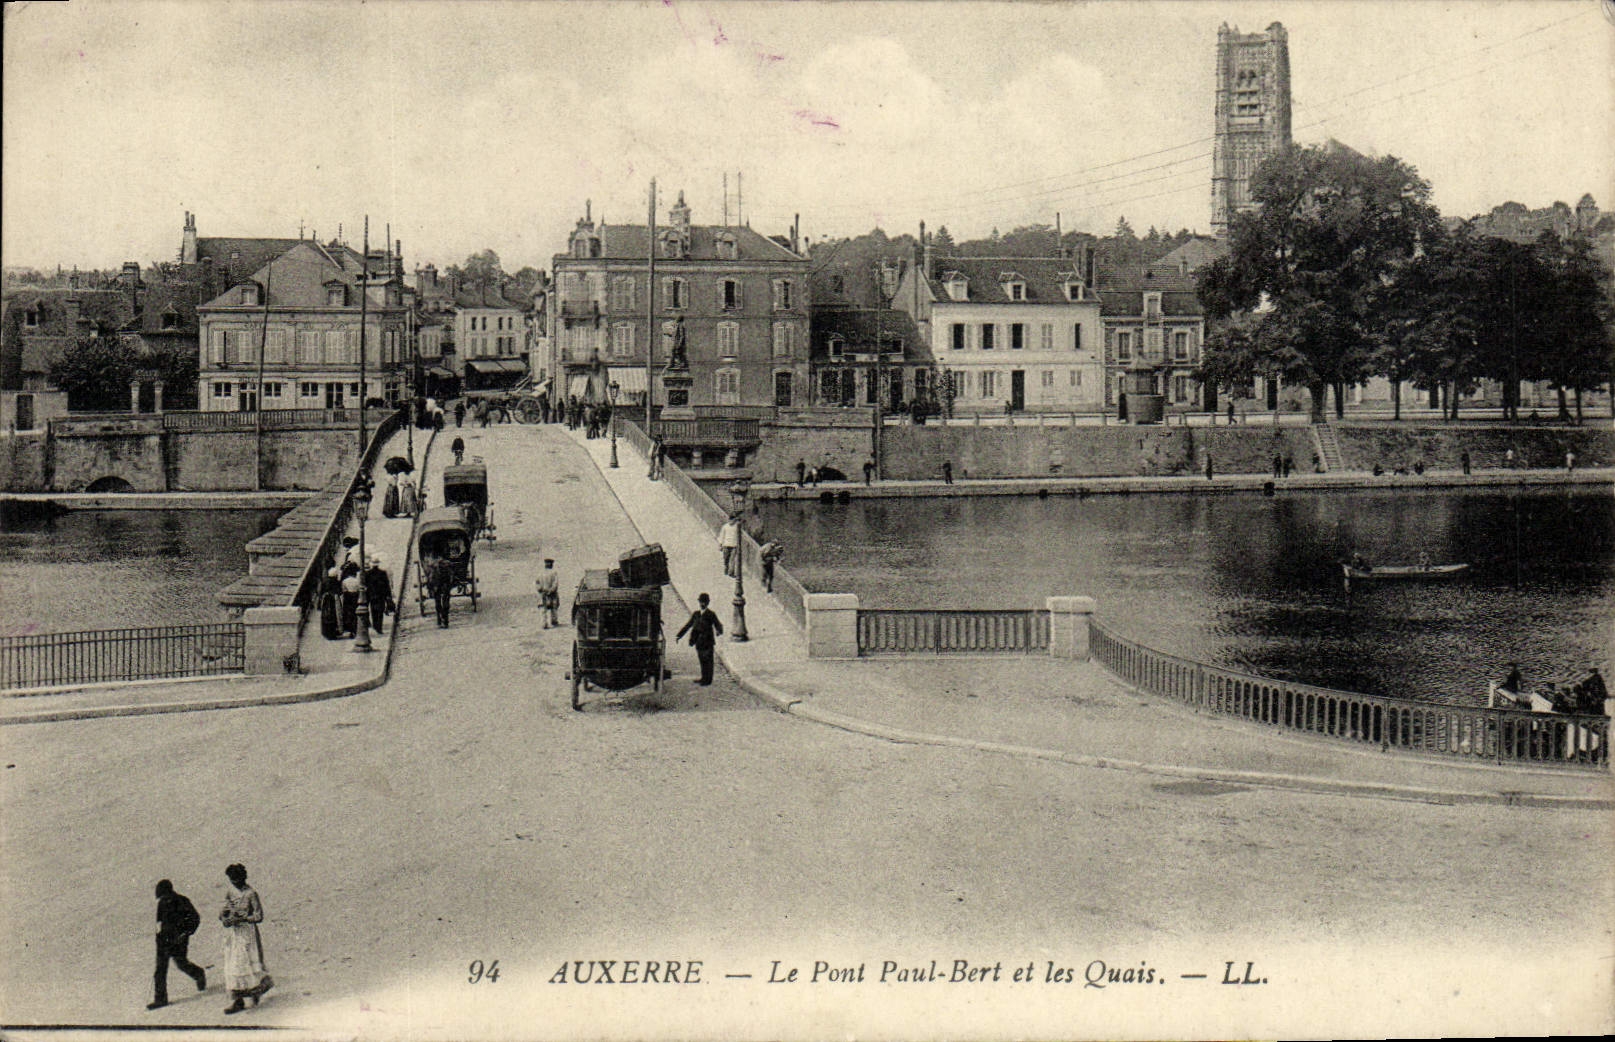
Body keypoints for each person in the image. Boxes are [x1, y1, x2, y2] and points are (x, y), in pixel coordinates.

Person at [219, 864, 271, 1014]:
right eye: (232, 880)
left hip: (247, 934)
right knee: (232, 965)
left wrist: (243, 918)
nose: (235, 882)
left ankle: (253, 991)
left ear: (243, 877)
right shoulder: (230, 892)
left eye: (237, 879)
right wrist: (225, 918)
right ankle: (238, 1000)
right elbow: (223, 912)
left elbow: (258, 916)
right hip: (233, 934)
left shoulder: (251, 893)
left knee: (245, 964)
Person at [147, 879, 205, 1010]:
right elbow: (159, 922)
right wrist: (159, 937)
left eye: (164, 895)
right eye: (162, 896)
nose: (163, 898)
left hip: (179, 939)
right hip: (164, 941)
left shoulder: (182, 901)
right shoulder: (161, 903)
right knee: (160, 970)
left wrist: (186, 933)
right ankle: (160, 999)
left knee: (181, 963)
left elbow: (195, 918)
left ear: (170, 892)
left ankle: (198, 974)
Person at [675, 593, 724, 686]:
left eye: (704, 602)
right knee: (702, 659)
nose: (702, 604)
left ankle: (708, 680)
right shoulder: (696, 614)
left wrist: (719, 631)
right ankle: (703, 678)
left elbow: (718, 624)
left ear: (708, 603)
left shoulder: (711, 614)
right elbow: (688, 625)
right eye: (701, 602)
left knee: (708, 660)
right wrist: (679, 635)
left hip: (708, 641)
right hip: (698, 641)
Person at [364, 555, 394, 634]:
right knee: (380, 611)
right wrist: (389, 595)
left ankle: (375, 625)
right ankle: (379, 627)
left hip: (372, 595)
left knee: (373, 610)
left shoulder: (368, 574)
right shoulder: (382, 573)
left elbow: (365, 585)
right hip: (381, 595)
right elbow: (386, 585)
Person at [426, 556, 454, 628]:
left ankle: (444, 619)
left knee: (443, 600)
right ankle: (441, 618)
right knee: (440, 600)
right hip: (436, 564)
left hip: (442, 564)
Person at [318, 567, 343, 640]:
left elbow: (320, 592)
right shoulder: (337, 582)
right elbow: (340, 592)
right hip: (334, 600)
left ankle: (326, 632)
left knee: (326, 616)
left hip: (326, 601)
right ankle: (334, 632)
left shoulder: (324, 582)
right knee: (335, 616)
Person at [535, 559, 560, 629]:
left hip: (542, 593)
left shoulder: (540, 573)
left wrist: (540, 589)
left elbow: (537, 583)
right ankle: (554, 621)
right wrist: (551, 590)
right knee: (554, 607)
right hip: (551, 593)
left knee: (543, 609)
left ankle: (544, 623)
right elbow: (555, 583)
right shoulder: (554, 573)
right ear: (551, 564)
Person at [340, 561, 362, 636]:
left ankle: (349, 629)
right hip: (355, 597)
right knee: (355, 613)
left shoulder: (344, 581)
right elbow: (359, 589)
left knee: (348, 613)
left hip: (347, 598)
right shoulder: (357, 581)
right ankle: (355, 629)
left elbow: (343, 590)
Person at [719, 514, 741, 578]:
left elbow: (739, 536)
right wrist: (720, 544)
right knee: (726, 558)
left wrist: (738, 544)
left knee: (732, 559)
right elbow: (722, 536)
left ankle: (731, 572)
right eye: (730, 520)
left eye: (733, 520)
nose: (732, 522)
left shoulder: (736, 527)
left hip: (734, 545)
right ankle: (726, 567)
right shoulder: (725, 527)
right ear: (729, 520)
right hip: (726, 545)